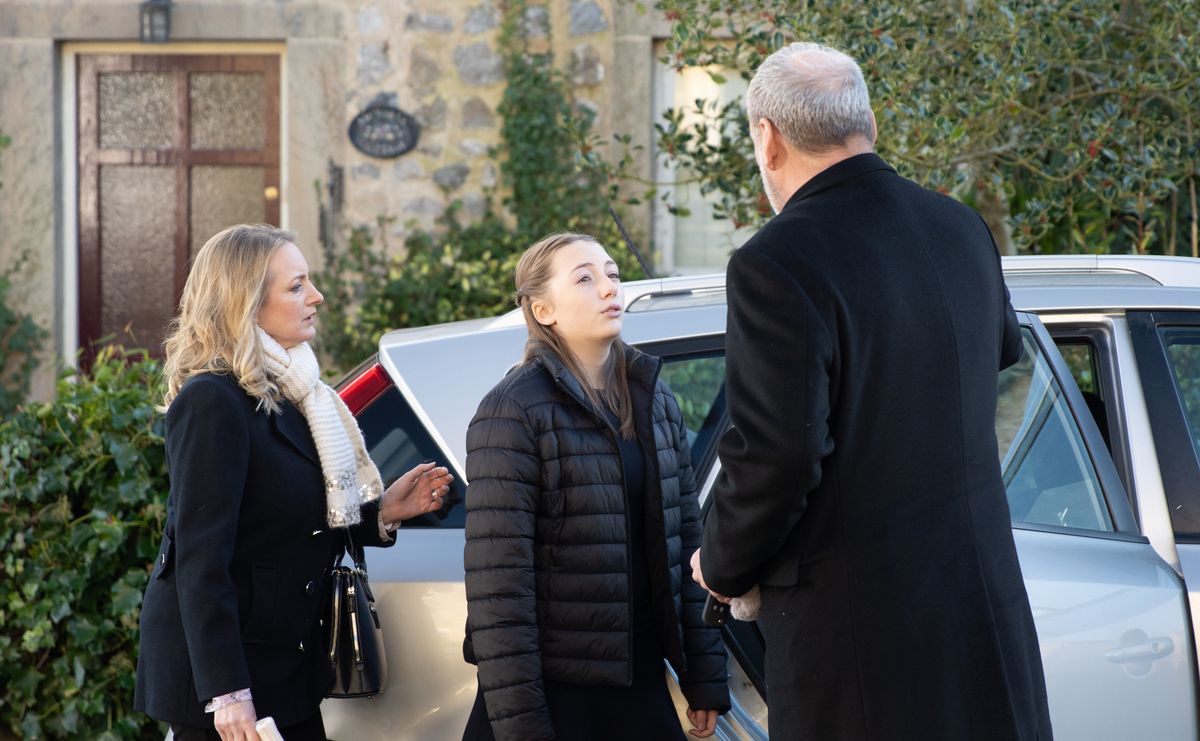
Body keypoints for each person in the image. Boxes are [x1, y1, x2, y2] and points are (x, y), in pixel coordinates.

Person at [690, 43, 1053, 740]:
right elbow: (1000, 353)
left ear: (767, 139)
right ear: (871, 125)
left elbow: (780, 453)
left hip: (862, 645)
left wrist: (724, 561)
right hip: (982, 616)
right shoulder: (960, 228)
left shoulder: (776, 262)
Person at [134, 224, 453, 741]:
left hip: (288, 668)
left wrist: (382, 513)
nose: (316, 297)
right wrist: (227, 694)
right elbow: (201, 558)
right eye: (297, 285)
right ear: (247, 303)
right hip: (231, 684)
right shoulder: (214, 400)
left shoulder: (300, 393)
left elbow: (296, 517)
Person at [460, 233, 731, 741]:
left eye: (612, 274)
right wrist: (525, 728)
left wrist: (704, 674)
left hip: (639, 684)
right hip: (556, 694)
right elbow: (499, 588)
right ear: (543, 310)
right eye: (585, 278)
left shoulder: (652, 397)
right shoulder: (513, 409)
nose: (609, 288)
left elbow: (686, 544)